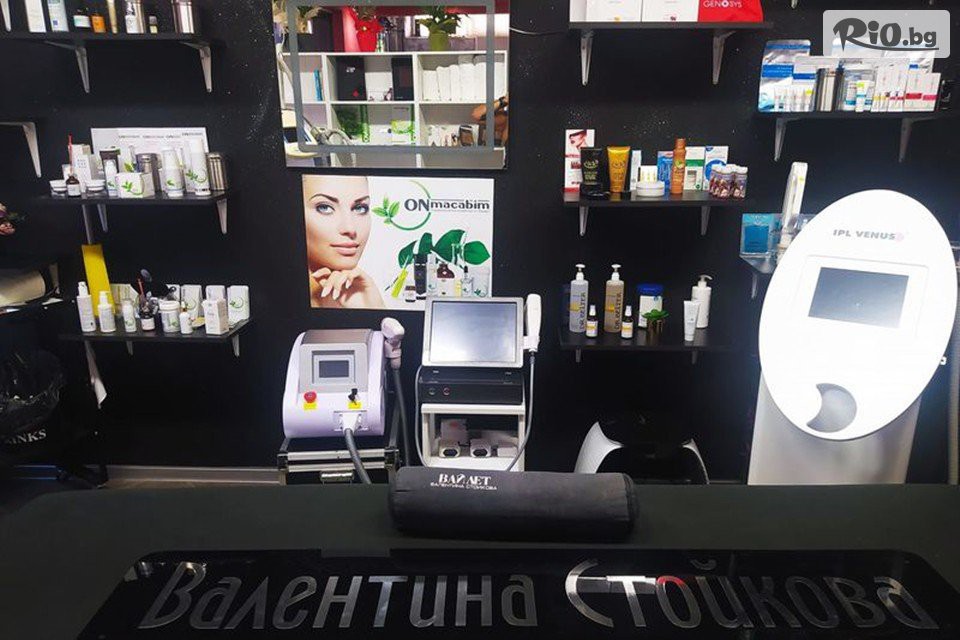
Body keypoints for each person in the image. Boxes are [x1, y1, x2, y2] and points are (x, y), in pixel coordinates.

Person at [303, 175, 384, 309]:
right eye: (324, 207)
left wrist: (375, 310)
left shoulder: (362, 296)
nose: (350, 229)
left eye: (360, 208)